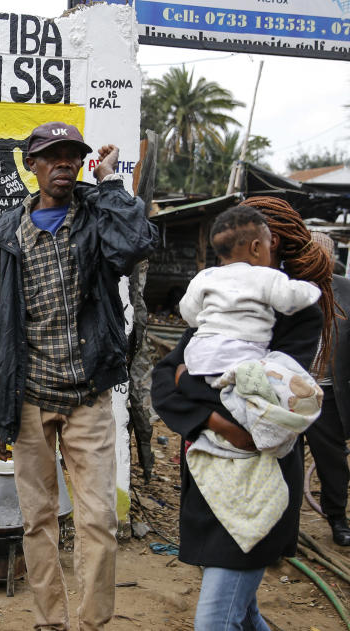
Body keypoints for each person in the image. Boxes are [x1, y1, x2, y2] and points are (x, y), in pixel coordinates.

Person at [0, 121, 158, 631]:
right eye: (52, 156)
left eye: (72, 155)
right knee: (38, 522)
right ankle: (50, 621)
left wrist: (112, 182)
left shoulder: (96, 217)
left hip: (87, 396)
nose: (64, 163)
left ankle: (91, 625)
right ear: (32, 164)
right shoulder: (7, 233)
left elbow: (138, 242)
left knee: (98, 520)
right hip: (26, 399)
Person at [151, 195, 335, 631]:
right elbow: (163, 380)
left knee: (216, 621)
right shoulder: (220, 305)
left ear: (271, 249)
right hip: (209, 478)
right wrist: (215, 420)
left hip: (259, 482)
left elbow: (267, 403)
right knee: (242, 613)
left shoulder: (299, 314)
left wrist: (187, 382)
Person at [178, 206, 323, 554]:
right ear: (259, 248)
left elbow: (188, 314)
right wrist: (314, 288)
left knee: (237, 557)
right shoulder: (270, 281)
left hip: (201, 358)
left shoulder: (205, 279)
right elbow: (294, 297)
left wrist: (188, 385)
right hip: (241, 371)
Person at [305, 231, 350, 546]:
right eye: (312, 254)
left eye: (325, 255)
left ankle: (337, 517)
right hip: (288, 391)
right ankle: (280, 527)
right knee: (283, 458)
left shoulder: (346, 291)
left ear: (333, 259)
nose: (319, 261)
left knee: (332, 459)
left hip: (329, 391)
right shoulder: (287, 287)